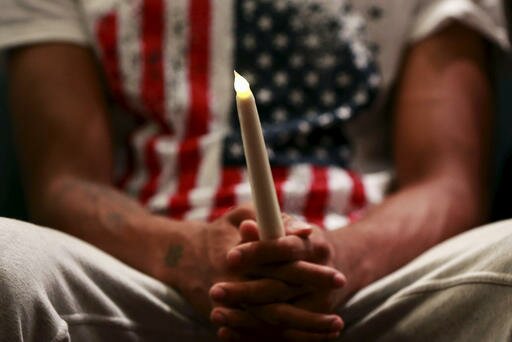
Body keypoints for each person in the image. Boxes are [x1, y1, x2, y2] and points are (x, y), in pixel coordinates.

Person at [0, 0, 510, 341]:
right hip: (144, 281)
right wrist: (184, 257)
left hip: (376, 283)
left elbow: (448, 182)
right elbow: (65, 182)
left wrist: (335, 265)